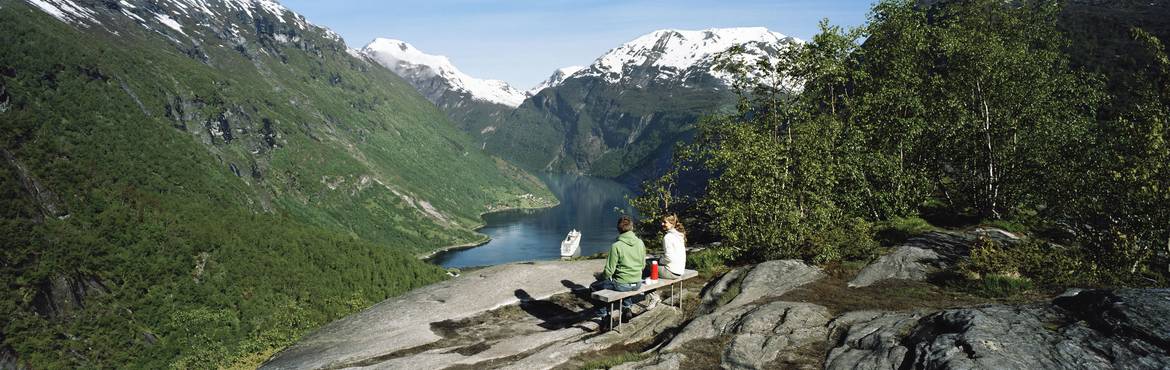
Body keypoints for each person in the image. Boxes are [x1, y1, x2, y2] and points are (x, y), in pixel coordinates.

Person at [591, 215, 646, 323]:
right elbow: (643, 265)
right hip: (637, 283)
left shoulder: (616, 246)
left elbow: (609, 272)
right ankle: (627, 309)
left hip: (622, 284)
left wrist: (599, 276)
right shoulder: (640, 243)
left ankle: (604, 316)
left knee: (594, 287)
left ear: (618, 229)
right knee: (624, 283)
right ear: (632, 227)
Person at [643, 214, 686, 309]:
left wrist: (660, 260)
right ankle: (650, 295)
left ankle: (653, 297)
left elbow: (669, 258)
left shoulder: (668, 237)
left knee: (645, 266)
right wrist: (660, 259)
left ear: (671, 223)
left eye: (664, 222)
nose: (662, 224)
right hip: (679, 270)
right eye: (662, 222)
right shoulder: (679, 234)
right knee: (651, 262)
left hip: (672, 272)